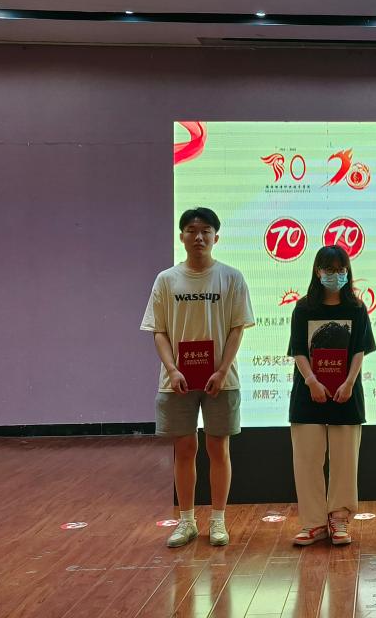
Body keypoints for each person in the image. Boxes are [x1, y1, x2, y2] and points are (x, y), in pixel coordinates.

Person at [141, 207, 255, 548]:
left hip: (222, 379)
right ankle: (187, 521)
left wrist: (222, 370)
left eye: (206, 230)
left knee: (218, 447)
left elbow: (237, 328)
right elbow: (158, 331)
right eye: (192, 230)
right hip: (177, 380)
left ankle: (218, 521)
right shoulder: (166, 279)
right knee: (184, 448)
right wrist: (173, 369)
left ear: (216, 237)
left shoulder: (231, 277)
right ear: (182, 237)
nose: (199, 236)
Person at [286, 245, 376, 546]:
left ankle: (339, 519)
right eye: (329, 270)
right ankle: (313, 523)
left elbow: (359, 350)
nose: (335, 275)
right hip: (307, 394)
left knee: (344, 461)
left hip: (345, 394)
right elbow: (298, 350)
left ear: (347, 272)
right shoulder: (303, 308)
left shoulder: (357, 308)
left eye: (340, 270)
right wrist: (311, 381)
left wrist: (349, 383)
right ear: (317, 271)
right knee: (307, 460)